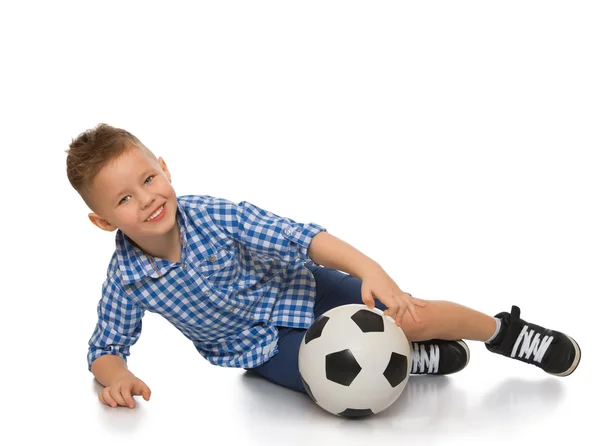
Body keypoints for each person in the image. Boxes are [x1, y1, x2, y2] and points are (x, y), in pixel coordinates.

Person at [65, 123, 581, 409]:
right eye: (126, 199)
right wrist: (117, 376)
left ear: (165, 169)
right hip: (262, 348)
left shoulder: (214, 214)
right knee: (333, 388)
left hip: (308, 290)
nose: (149, 200)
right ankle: (408, 362)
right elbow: (105, 346)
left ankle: (500, 331)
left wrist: (371, 269)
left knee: (408, 315)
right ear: (103, 220)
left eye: (150, 179)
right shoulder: (128, 281)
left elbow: (300, 237)